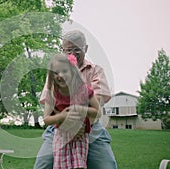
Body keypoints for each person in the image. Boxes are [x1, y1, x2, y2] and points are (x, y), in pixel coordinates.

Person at [33, 30, 117, 169]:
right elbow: (49, 106)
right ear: (62, 50)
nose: (73, 53)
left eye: (77, 49)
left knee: (106, 165)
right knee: (42, 165)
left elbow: (97, 102)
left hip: (90, 127)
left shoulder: (95, 70)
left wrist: (79, 125)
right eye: (69, 50)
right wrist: (65, 123)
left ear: (86, 48)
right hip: (59, 128)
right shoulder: (55, 74)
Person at [43, 53, 101, 169]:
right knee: (61, 165)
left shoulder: (83, 90)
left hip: (80, 135)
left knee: (78, 165)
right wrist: (63, 116)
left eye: (64, 71)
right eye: (56, 72)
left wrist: (80, 109)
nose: (60, 75)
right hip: (62, 135)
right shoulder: (52, 94)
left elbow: (98, 112)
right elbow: (46, 119)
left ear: (72, 72)